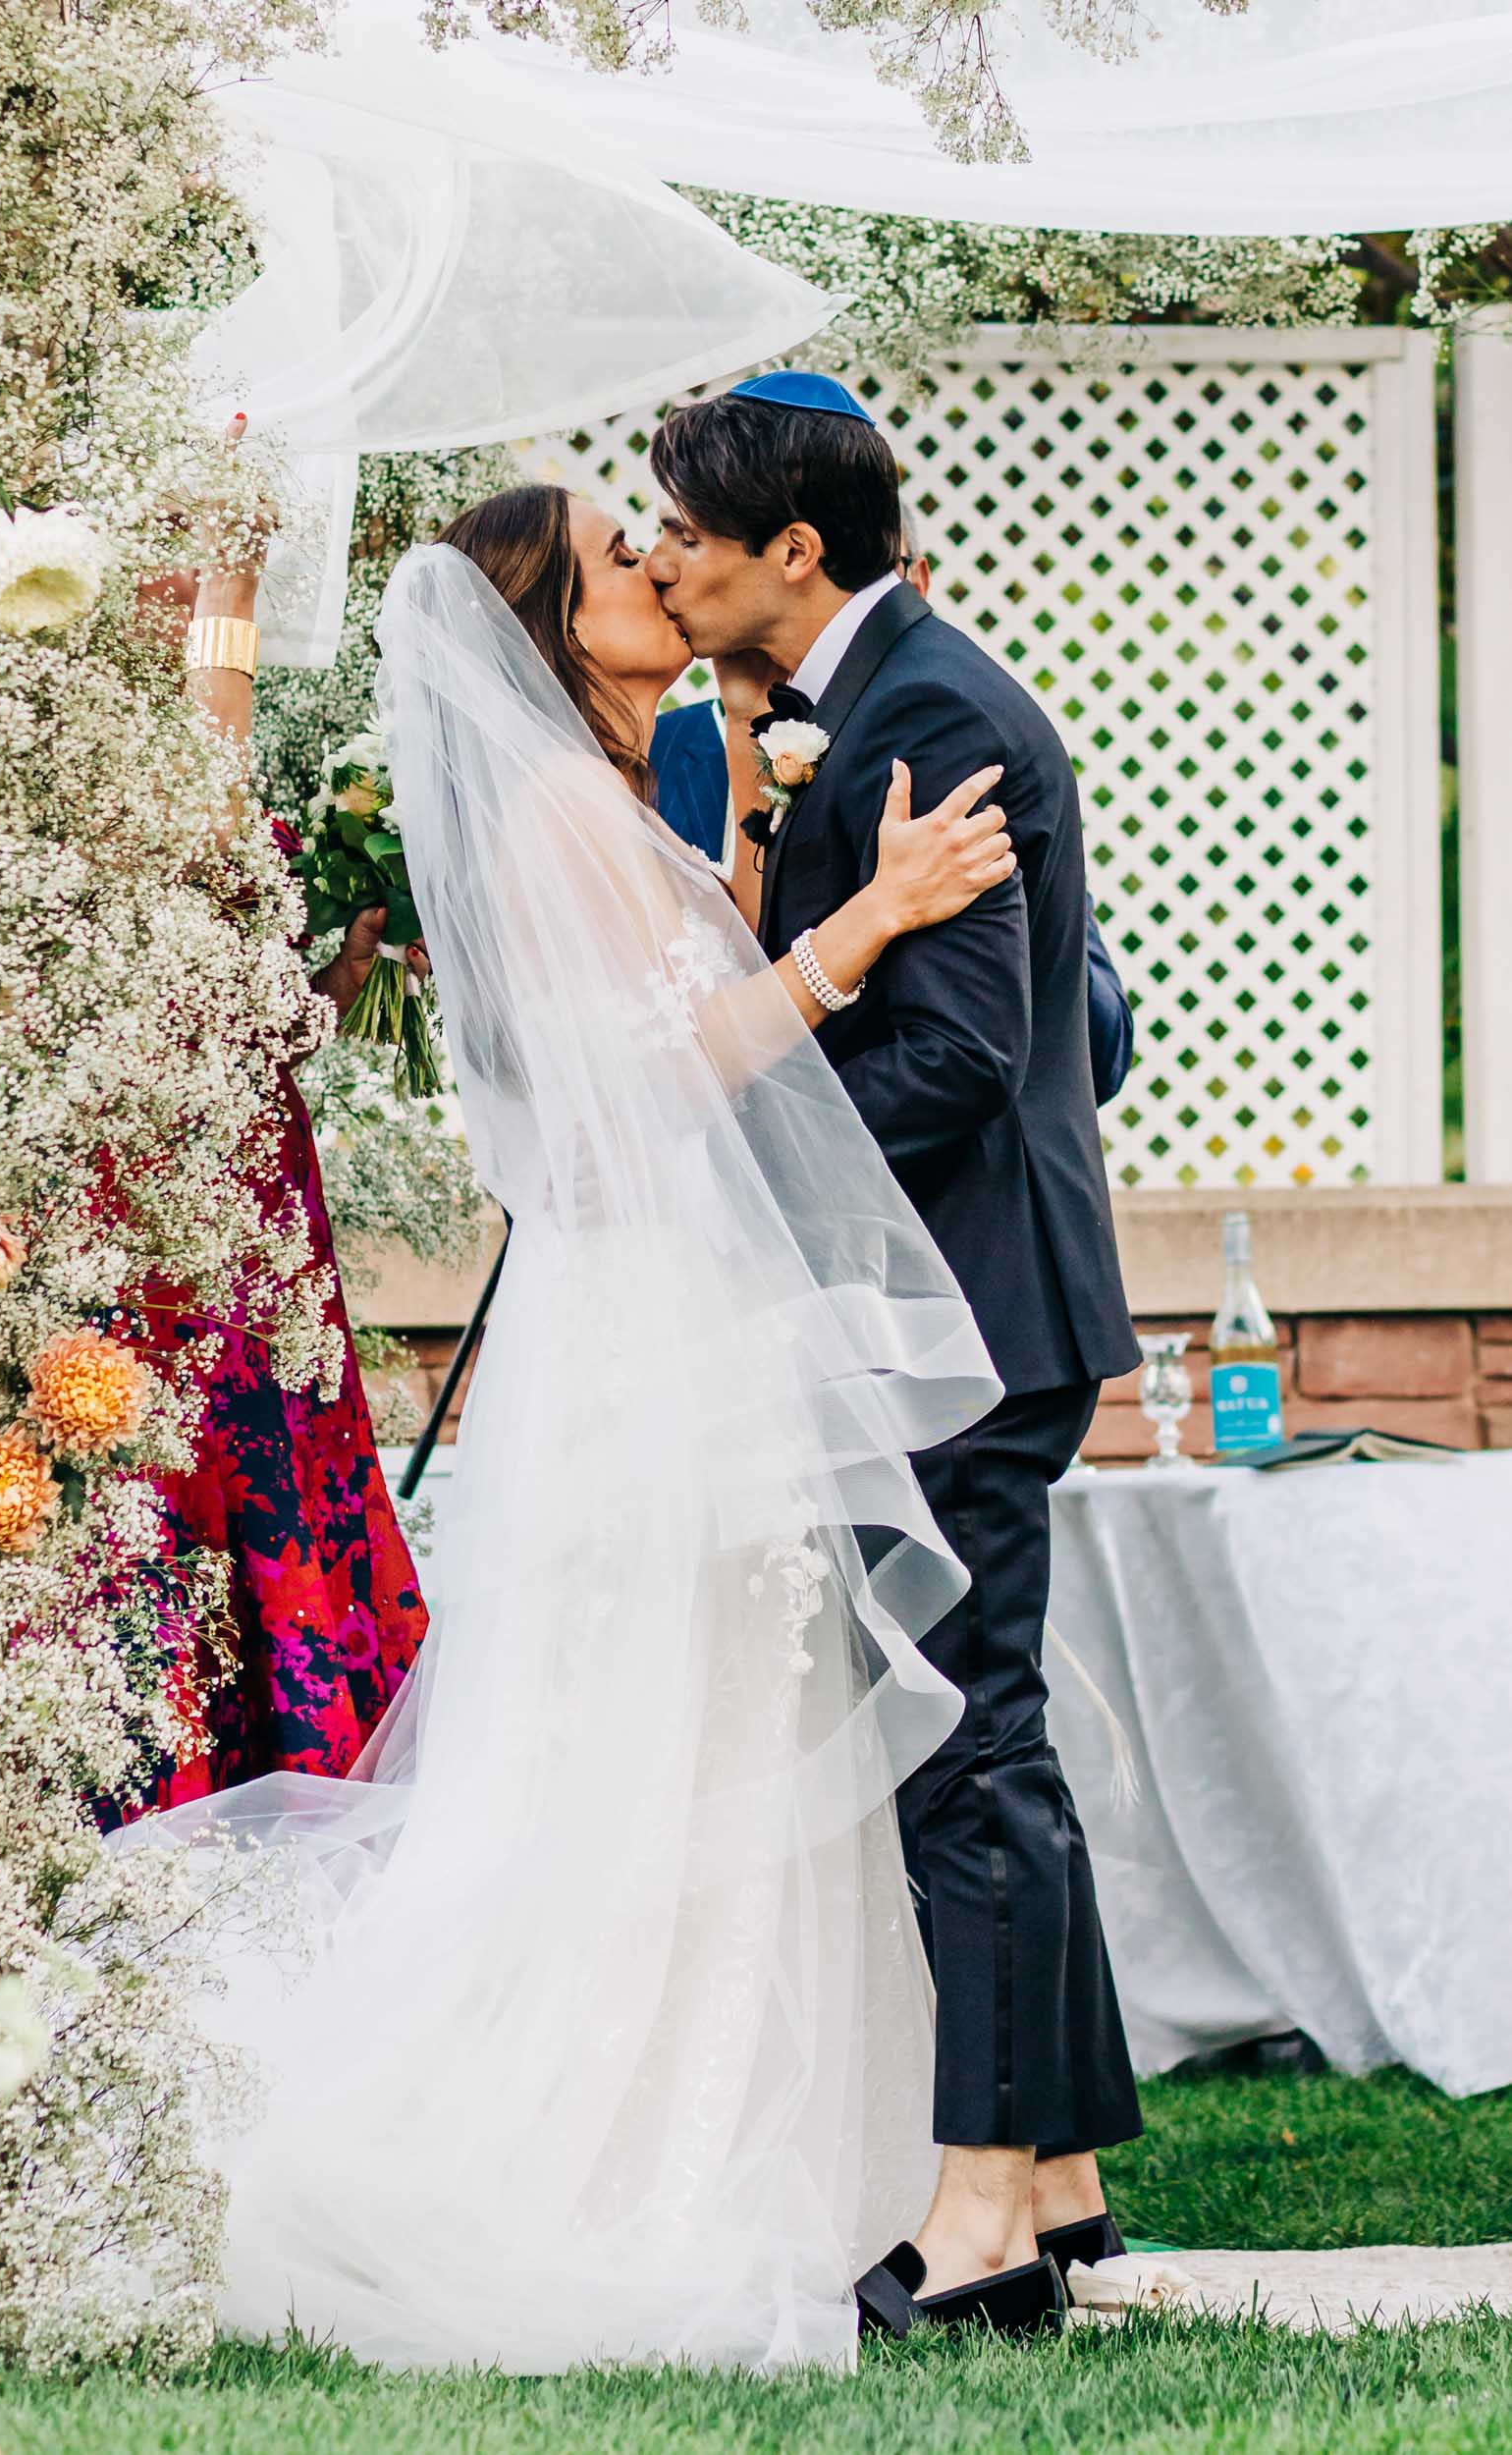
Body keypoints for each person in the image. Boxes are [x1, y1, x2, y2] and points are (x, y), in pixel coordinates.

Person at [114, 489, 1026, 2373]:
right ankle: (600, 2167)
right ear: (548, 620)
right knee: (659, 1742)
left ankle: (740, 2153)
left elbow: (693, 994)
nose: (664, 570)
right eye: (625, 557)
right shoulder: (554, 814)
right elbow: (659, 1074)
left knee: (713, 1727)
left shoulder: (624, 798)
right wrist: (876, 915)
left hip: (681, 1313)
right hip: (646, 1337)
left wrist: (779, 841)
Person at [646, 371, 1144, 2337]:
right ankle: (1057, 2176)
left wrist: (735, 1115)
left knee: (964, 1750)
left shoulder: (930, 716)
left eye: (689, 526)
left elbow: (957, 1052)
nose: (666, 554)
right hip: (933, 1310)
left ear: (794, 549)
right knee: (975, 1734)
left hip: (957, 1316)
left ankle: (975, 2231)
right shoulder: (863, 703)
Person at [118, 425, 429, 1810]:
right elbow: (185, 850)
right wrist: (226, 604)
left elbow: (208, 954)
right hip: (164, 1196)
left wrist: (319, 990)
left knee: (272, 1464)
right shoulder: (107, 743)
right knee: (193, 1492)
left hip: (246, 1175)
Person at [652, 508, 1136, 1107]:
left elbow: (1099, 1053)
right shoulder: (664, 756)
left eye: (876, 582)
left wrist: (1013, 915)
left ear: (917, 585)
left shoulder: (946, 741)